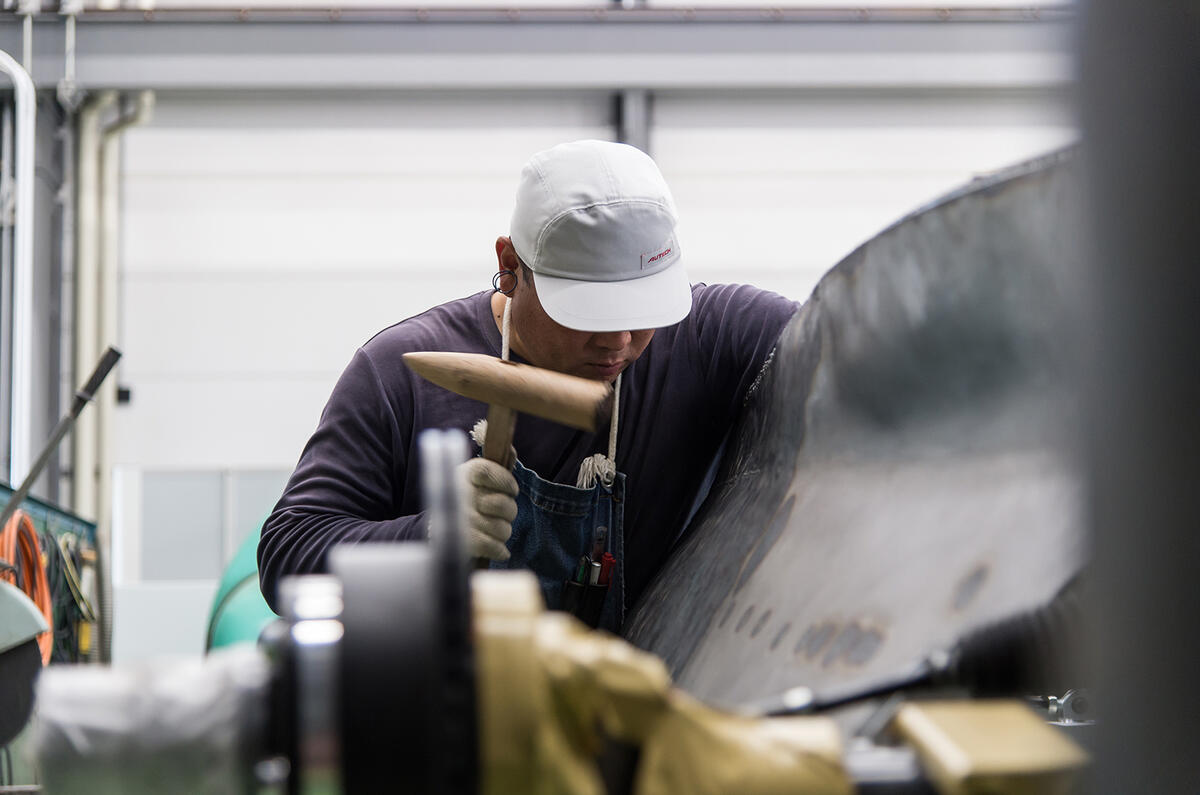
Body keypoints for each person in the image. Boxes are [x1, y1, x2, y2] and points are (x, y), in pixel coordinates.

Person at [258, 140, 797, 631]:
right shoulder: (400, 377)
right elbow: (288, 557)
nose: (619, 343)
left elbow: (837, 341)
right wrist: (428, 537)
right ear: (511, 265)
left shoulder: (707, 340)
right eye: (588, 313)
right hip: (447, 701)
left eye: (641, 310)